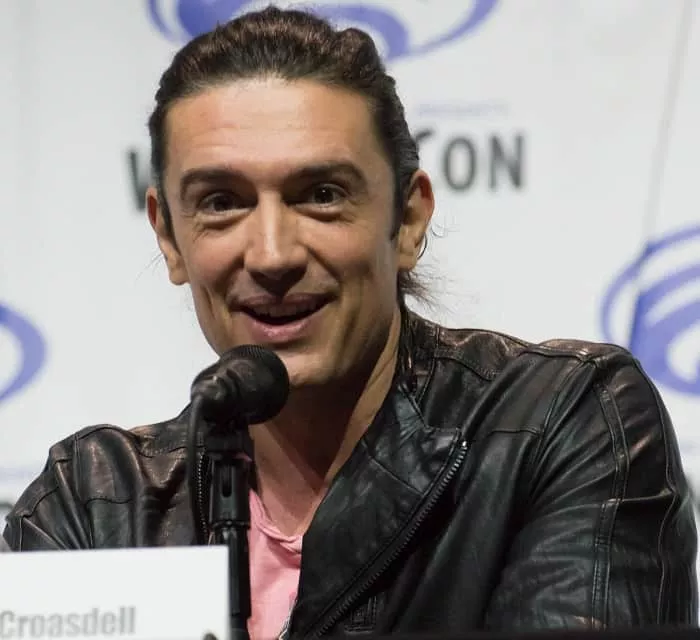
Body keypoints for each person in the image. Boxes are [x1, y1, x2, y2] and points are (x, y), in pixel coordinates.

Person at [3, 5, 697, 638]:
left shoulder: (556, 428)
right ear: (168, 236)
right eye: (221, 202)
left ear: (408, 219)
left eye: (321, 194)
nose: (271, 254)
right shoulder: (96, 503)